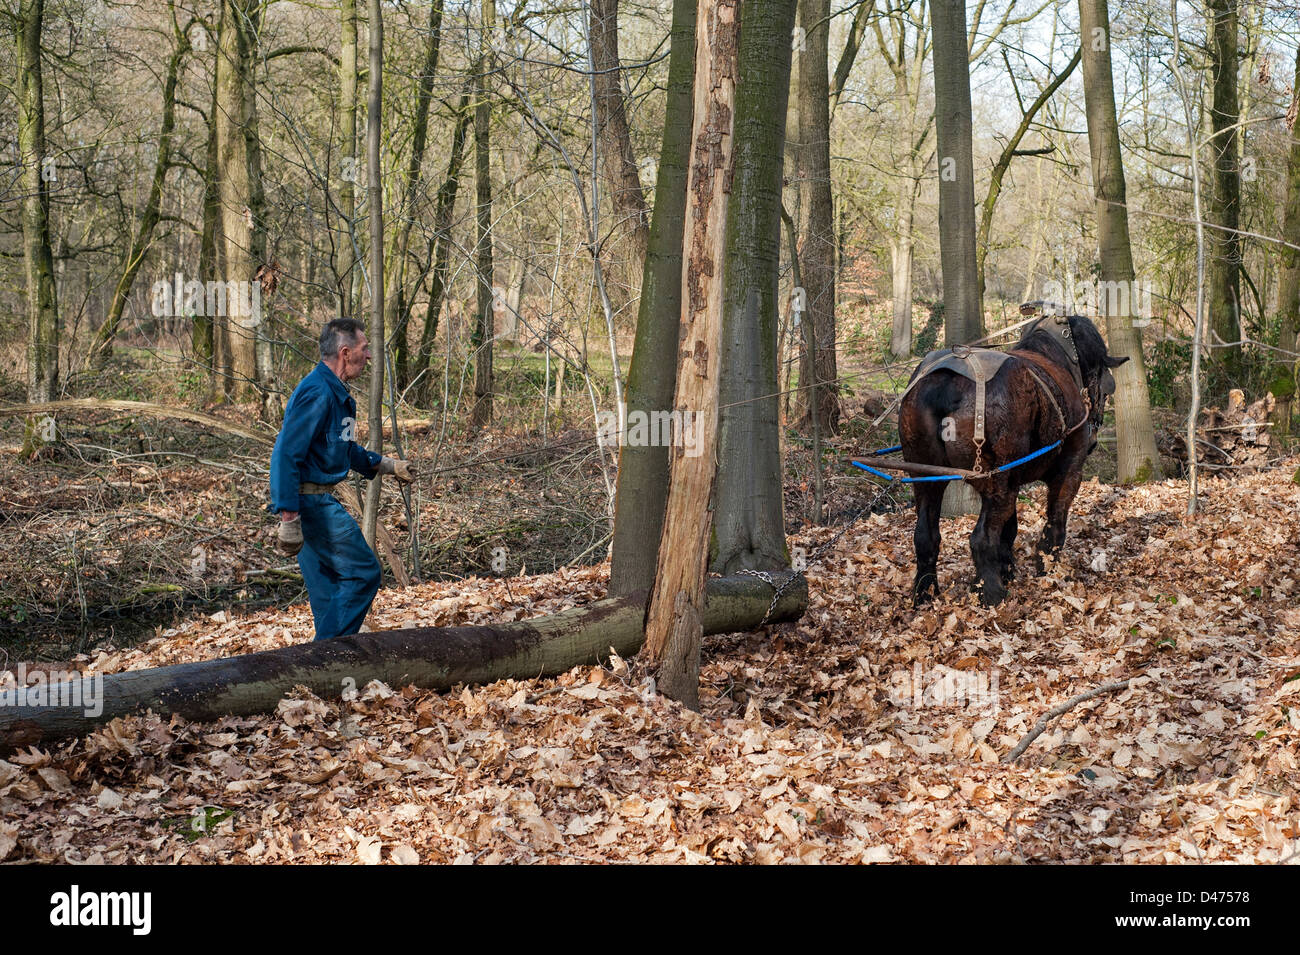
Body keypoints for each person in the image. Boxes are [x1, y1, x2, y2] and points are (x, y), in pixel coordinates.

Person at [268, 318, 414, 640]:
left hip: (315, 502)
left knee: (327, 591)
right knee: (364, 573)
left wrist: (387, 465)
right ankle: (323, 658)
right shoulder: (317, 392)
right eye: (365, 349)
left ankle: (325, 674)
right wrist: (288, 515)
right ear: (346, 353)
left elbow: (344, 449)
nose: (370, 356)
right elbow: (285, 454)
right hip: (311, 505)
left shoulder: (335, 392)